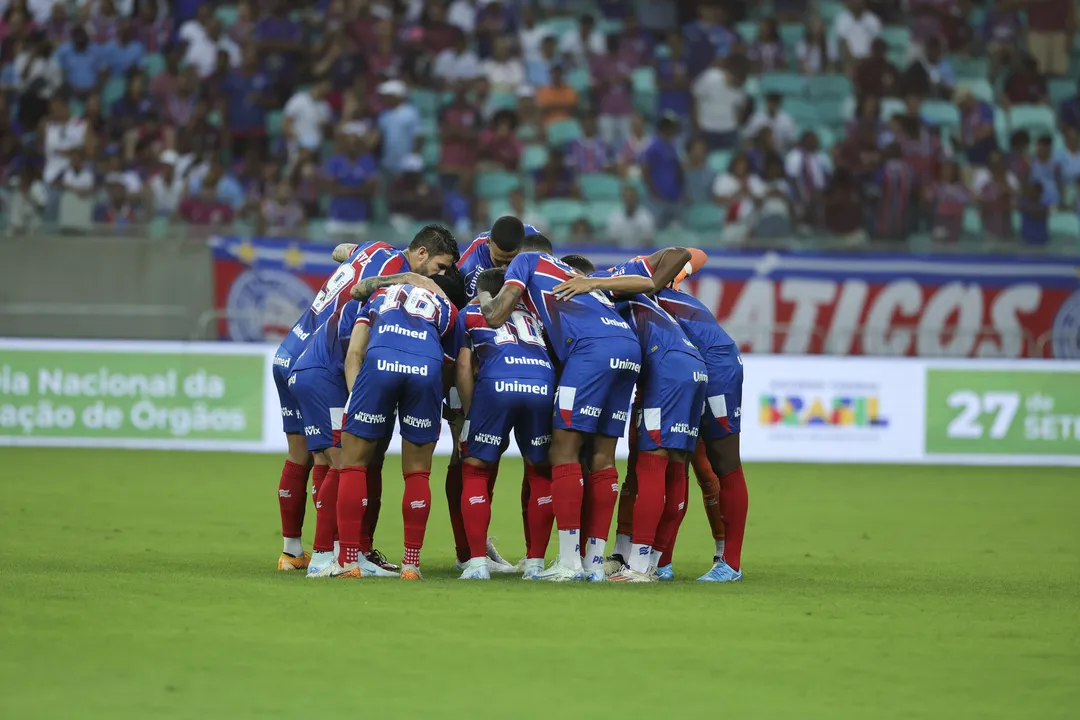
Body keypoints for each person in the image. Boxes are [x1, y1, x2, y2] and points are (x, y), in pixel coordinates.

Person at [272, 228, 459, 571]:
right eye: (440, 266)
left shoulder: (376, 249)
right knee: (343, 459)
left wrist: (350, 255)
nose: (440, 277)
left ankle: (295, 551)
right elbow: (362, 295)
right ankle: (333, 555)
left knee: (310, 455)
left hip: (291, 351)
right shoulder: (395, 273)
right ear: (419, 254)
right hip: (320, 360)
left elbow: (341, 250)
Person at [480, 252, 642, 581]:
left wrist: (484, 291)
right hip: (628, 348)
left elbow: (496, 316)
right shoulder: (577, 276)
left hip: (590, 351)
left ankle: (569, 563)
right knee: (602, 456)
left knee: (562, 451)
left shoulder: (526, 261)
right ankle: (594, 564)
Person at [567, 249, 707, 582]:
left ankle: (640, 567)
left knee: (650, 465)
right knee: (674, 467)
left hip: (667, 370)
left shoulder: (601, 291)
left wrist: (592, 282)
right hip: (691, 366)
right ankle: (653, 562)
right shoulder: (626, 294)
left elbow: (679, 258)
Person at [333, 269, 468, 580]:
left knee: (353, 463)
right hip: (427, 367)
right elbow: (451, 367)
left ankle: (349, 562)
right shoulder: (450, 309)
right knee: (418, 470)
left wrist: (362, 398)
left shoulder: (382, 294)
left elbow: (354, 353)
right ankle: (411, 565)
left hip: (381, 360)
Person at [454, 267, 557, 580]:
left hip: (497, 383)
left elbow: (463, 366)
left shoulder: (470, 312)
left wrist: (473, 414)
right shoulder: (535, 313)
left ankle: (476, 565)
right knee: (540, 471)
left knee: (475, 469)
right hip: (542, 382)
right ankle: (536, 564)